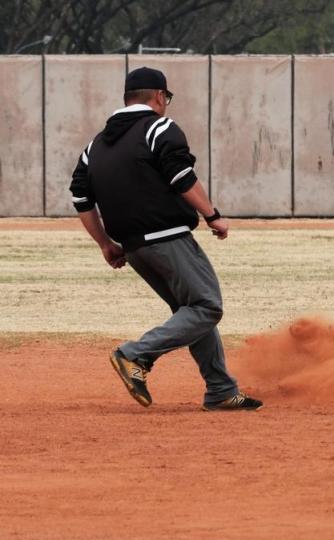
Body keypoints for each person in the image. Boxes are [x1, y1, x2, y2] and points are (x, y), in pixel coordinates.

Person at [69, 66, 262, 411]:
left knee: (189, 309)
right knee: (207, 306)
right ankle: (135, 355)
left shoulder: (95, 145)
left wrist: (105, 244)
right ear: (159, 96)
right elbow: (181, 175)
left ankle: (220, 389)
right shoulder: (159, 127)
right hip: (167, 238)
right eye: (166, 98)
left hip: (134, 247)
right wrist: (213, 215)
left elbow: (81, 198)